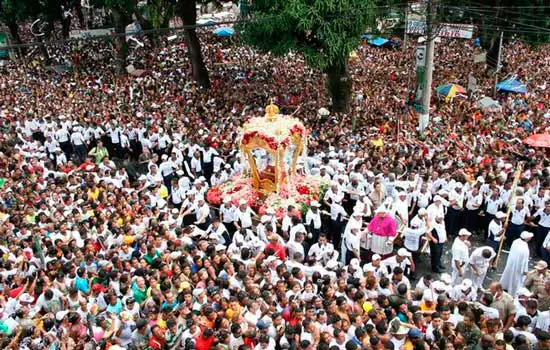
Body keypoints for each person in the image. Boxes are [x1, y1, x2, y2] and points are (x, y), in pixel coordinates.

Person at [501, 231, 534, 297]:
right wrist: (524, 271)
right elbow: (524, 262)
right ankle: (513, 292)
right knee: (516, 280)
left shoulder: (516, 241)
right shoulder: (525, 249)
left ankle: (505, 286)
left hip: (511, 263)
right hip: (518, 268)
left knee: (508, 275)